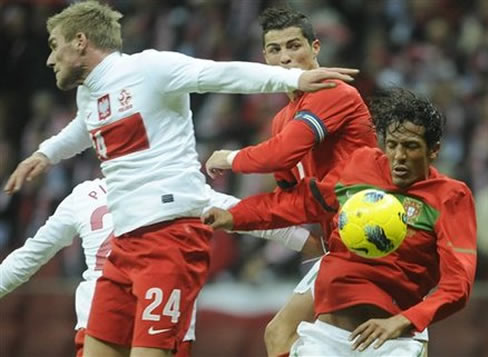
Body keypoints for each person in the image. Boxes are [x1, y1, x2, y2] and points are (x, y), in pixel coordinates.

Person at [2, 2, 356, 355]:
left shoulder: (151, 68)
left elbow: (220, 73)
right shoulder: (90, 94)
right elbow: (85, 124)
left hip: (169, 238)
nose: (49, 59)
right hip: (125, 244)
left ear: (80, 41)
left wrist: (292, 78)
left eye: (53, 45)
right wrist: (44, 154)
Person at [203, 88, 477, 356]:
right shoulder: (362, 164)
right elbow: (302, 202)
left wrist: (403, 321)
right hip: (326, 338)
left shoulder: (450, 197)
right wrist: (235, 215)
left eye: (411, 147)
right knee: (277, 333)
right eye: (392, 145)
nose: (399, 157)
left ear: (434, 150)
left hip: (393, 340)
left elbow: (458, 286)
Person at [204, 7, 378, 357]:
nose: (285, 57)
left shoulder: (334, 93)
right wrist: (235, 217)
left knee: (308, 336)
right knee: (281, 335)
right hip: (339, 243)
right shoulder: (283, 119)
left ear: (315, 47)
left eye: (294, 45)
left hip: (372, 238)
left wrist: (231, 157)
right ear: (264, 57)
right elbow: (292, 200)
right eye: (275, 49)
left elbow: (279, 155)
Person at [0, 178, 317, 357]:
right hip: (149, 326)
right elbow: (258, 220)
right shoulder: (186, 191)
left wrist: (320, 247)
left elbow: (27, 259)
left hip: (126, 327)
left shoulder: (85, 195)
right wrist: (320, 246)